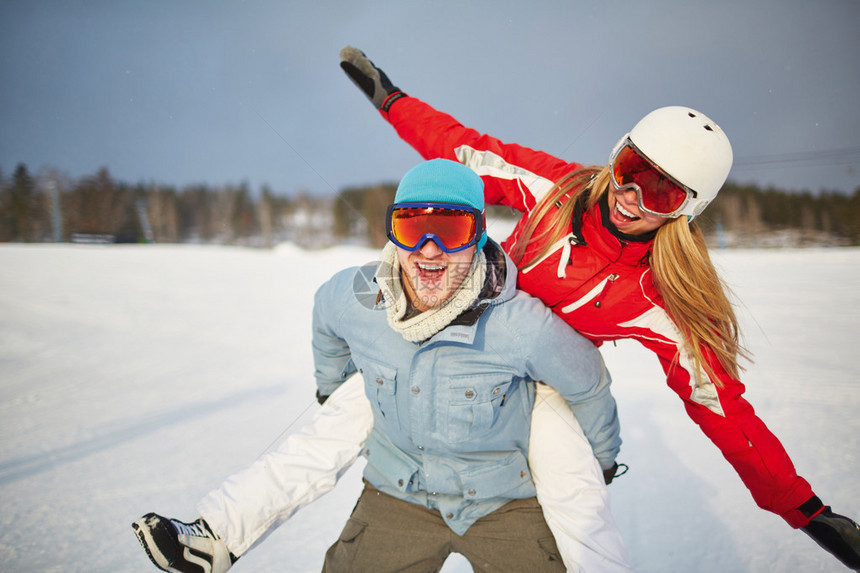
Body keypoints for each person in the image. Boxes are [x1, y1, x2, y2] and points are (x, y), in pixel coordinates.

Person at [332, 47, 860, 570]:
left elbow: (723, 408)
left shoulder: (661, 298)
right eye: (632, 169)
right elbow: (465, 151)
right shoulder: (557, 190)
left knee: (580, 521)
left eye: (662, 193)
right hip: (453, 337)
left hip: (538, 390)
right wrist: (392, 99)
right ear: (618, 153)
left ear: (688, 209)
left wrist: (805, 510)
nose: (631, 196)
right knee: (330, 434)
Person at [133, 159, 634, 572]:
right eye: (412, 228)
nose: (429, 250)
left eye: (452, 230)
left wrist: (603, 460)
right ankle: (216, 534)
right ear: (393, 230)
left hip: (505, 501)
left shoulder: (521, 324)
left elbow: (589, 383)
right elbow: (326, 320)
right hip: (400, 494)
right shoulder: (355, 296)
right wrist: (334, 389)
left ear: (479, 235)